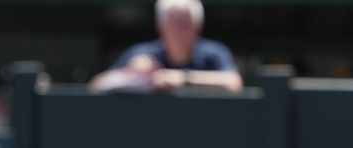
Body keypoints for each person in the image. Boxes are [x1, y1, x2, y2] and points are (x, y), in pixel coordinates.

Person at [90, 0, 243, 93]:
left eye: (184, 23)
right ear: (160, 25)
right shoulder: (141, 53)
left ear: (197, 26)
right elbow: (96, 85)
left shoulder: (214, 53)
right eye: (172, 22)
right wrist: (129, 74)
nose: (178, 30)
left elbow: (233, 83)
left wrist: (182, 78)